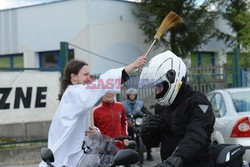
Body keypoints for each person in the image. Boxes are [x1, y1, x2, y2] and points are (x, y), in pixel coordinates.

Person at [39, 55, 147, 167]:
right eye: (85, 75)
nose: (89, 78)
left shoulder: (78, 96)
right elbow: (102, 84)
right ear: (74, 77)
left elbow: (81, 131)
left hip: (79, 161)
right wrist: (132, 66)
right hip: (62, 162)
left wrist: (95, 132)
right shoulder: (74, 93)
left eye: (89, 74)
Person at [139, 50, 215, 167]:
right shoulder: (162, 105)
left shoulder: (199, 103)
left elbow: (196, 135)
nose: (156, 91)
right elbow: (155, 142)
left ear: (173, 79)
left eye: (159, 86)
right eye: (155, 87)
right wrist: (147, 131)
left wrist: (176, 158)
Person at [122, 87, 154, 161]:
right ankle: (128, 154)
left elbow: (145, 111)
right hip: (129, 123)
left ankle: (149, 154)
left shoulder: (140, 103)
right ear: (128, 96)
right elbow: (122, 113)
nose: (132, 96)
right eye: (130, 95)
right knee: (126, 136)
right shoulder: (123, 105)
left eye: (133, 95)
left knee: (147, 134)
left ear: (135, 95)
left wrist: (148, 114)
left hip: (139, 121)